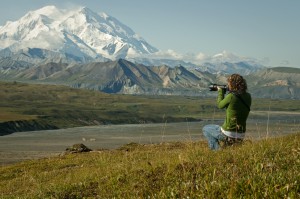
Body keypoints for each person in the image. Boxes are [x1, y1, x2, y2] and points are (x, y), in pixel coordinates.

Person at [203, 74, 252, 150]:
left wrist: (220, 92)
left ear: (232, 84)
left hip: (228, 132)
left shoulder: (231, 96)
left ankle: (216, 151)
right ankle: (227, 146)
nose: (227, 85)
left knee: (206, 129)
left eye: (229, 83)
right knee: (226, 147)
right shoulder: (248, 96)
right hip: (241, 134)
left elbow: (220, 105)